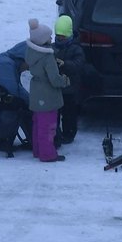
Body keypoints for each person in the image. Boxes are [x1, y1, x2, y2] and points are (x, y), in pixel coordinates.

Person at [26, 18, 70, 163]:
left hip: (36, 92)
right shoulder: (47, 57)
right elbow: (54, 79)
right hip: (48, 95)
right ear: (43, 40)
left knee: (38, 124)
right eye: (49, 37)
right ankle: (48, 154)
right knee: (48, 127)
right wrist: (64, 80)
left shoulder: (31, 52)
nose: (51, 39)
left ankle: (38, 150)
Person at [53, 15, 86, 145]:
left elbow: (78, 65)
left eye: (63, 36)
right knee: (55, 112)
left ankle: (69, 133)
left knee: (69, 113)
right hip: (56, 88)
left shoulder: (76, 49)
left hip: (70, 88)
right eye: (58, 36)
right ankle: (55, 132)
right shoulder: (53, 47)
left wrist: (64, 64)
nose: (60, 38)